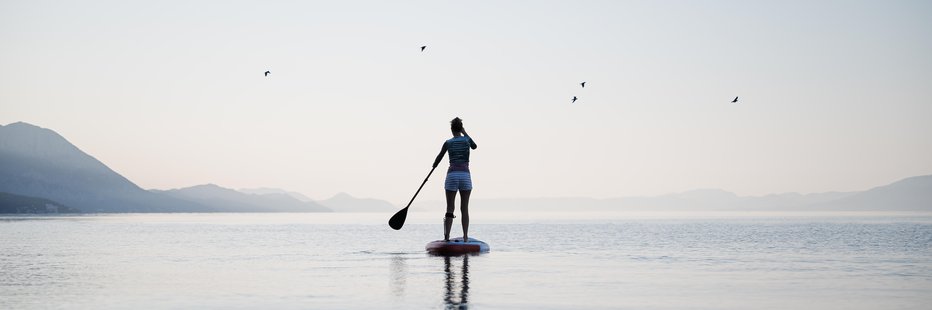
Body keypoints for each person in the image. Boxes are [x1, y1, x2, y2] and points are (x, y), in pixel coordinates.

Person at [432, 117, 477, 242]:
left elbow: (439, 157)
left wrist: (434, 166)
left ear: (451, 129)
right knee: (464, 208)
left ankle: (446, 237)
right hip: (465, 176)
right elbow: (474, 146)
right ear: (460, 128)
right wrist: (465, 132)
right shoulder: (466, 140)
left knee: (450, 208)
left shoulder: (448, 142)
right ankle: (466, 237)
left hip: (452, 176)